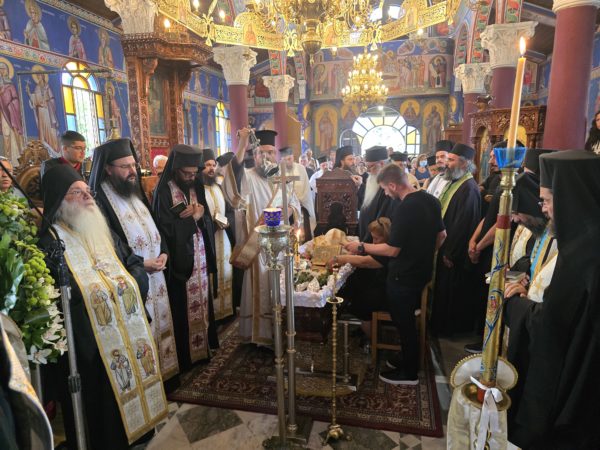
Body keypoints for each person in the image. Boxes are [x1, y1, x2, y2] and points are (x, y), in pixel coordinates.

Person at [38, 164, 166, 449]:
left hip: (125, 329)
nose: (88, 197)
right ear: (59, 200)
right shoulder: (49, 244)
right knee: (99, 421)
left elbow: (132, 262)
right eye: (76, 192)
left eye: (88, 191)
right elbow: (59, 298)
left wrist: (129, 285)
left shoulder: (101, 229)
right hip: (89, 346)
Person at [504, 150, 600, 448]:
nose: (543, 209)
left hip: (570, 386)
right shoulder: (583, 241)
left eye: (546, 200)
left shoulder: (585, 254)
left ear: (569, 198)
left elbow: (554, 326)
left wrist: (515, 306)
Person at [345, 164, 446, 384]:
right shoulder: (431, 200)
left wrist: (362, 246)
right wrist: (423, 254)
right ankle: (406, 359)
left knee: (404, 323)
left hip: (403, 277)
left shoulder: (404, 208)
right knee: (405, 321)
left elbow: (392, 250)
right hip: (422, 272)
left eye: (384, 188)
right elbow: (442, 236)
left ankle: (409, 373)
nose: (385, 193)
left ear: (392, 184)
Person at [89, 138, 179, 382]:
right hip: (133, 279)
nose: (132, 171)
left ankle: (167, 377)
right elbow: (108, 246)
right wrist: (140, 263)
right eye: (125, 166)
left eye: (133, 165)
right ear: (108, 168)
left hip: (157, 275)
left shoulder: (133, 191)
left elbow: (155, 227)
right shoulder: (99, 201)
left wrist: (164, 251)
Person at [223, 128, 300, 345]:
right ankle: (260, 335)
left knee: (280, 288)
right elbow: (232, 179)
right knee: (260, 287)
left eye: (270, 152)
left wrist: (289, 212)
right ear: (254, 156)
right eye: (261, 153)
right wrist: (242, 144)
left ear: (276, 155)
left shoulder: (282, 179)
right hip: (256, 246)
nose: (265, 157)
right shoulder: (246, 177)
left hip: (281, 245)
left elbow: (294, 205)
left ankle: (281, 331)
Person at [153, 144, 218, 371]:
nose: (191, 177)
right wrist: (193, 219)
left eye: (194, 173)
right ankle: (186, 357)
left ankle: (203, 349)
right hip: (179, 262)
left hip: (200, 257)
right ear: (175, 169)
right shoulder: (163, 192)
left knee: (203, 302)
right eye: (187, 173)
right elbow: (164, 230)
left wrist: (201, 215)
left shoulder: (195, 186)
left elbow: (205, 218)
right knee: (182, 309)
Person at [431, 143, 481, 335]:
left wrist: (451, 252)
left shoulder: (469, 188)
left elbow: (464, 224)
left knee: (451, 291)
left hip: (454, 252)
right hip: (446, 247)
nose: (446, 164)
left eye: (451, 160)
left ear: (465, 163)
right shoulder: (455, 182)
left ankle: (448, 330)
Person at [335, 217, 391, 342]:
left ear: (386, 237)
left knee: (361, 302)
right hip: (379, 287)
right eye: (372, 238)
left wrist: (339, 259)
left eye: (377, 238)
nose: (373, 242)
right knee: (352, 284)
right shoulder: (380, 246)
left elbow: (364, 262)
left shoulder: (387, 251)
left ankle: (374, 341)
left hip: (385, 293)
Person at [201, 147, 235, 321]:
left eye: (213, 165)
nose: (211, 168)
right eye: (207, 165)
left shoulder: (219, 187)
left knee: (226, 271)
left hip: (224, 238)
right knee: (213, 275)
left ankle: (226, 311)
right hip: (210, 240)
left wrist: (227, 221)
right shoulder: (198, 191)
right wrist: (212, 225)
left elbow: (228, 210)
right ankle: (214, 315)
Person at [358, 146, 395, 242]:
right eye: (367, 166)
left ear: (381, 164)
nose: (368, 170)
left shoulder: (388, 187)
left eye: (371, 166)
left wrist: (366, 242)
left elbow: (381, 220)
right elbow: (368, 202)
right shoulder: (374, 180)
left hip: (375, 239)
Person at [280, 146, 317, 236]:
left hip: (301, 208)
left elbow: (305, 191)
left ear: (293, 157)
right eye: (284, 160)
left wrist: (293, 207)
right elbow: (277, 192)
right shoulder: (278, 170)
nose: (287, 162)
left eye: (289, 159)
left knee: (301, 237)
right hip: (284, 210)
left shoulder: (301, 169)